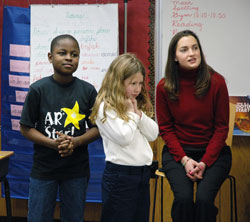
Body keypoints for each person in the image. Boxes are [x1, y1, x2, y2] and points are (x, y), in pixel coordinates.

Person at [20, 34, 99, 222]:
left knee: (74, 217)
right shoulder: (38, 89)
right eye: (62, 53)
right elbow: (26, 128)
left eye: (74, 54)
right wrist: (52, 143)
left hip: (76, 170)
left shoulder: (88, 91)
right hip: (44, 169)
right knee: (38, 218)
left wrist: (76, 141)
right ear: (50, 57)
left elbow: (98, 128)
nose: (69, 58)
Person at [155, 30, 232, 222]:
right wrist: (185, 160)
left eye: (195, 48)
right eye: (184, 49)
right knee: (183, 199)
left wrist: (204, 162)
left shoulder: (217, 82)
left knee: (205, 200)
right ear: (174, 56)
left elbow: (222, 128)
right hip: (178, 155)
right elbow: (165, 129)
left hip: (214, 154)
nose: (192, 53)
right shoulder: (164, 87)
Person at [90, 53, 159, 222]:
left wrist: (139, 115)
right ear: (118, 82)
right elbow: (124, 137)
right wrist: (131, 114)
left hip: (141, 174)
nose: (137, 89)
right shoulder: (106, 107)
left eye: (140, 83)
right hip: (120, 177)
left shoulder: (134, 104)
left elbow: (153, 133)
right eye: (132, 83)